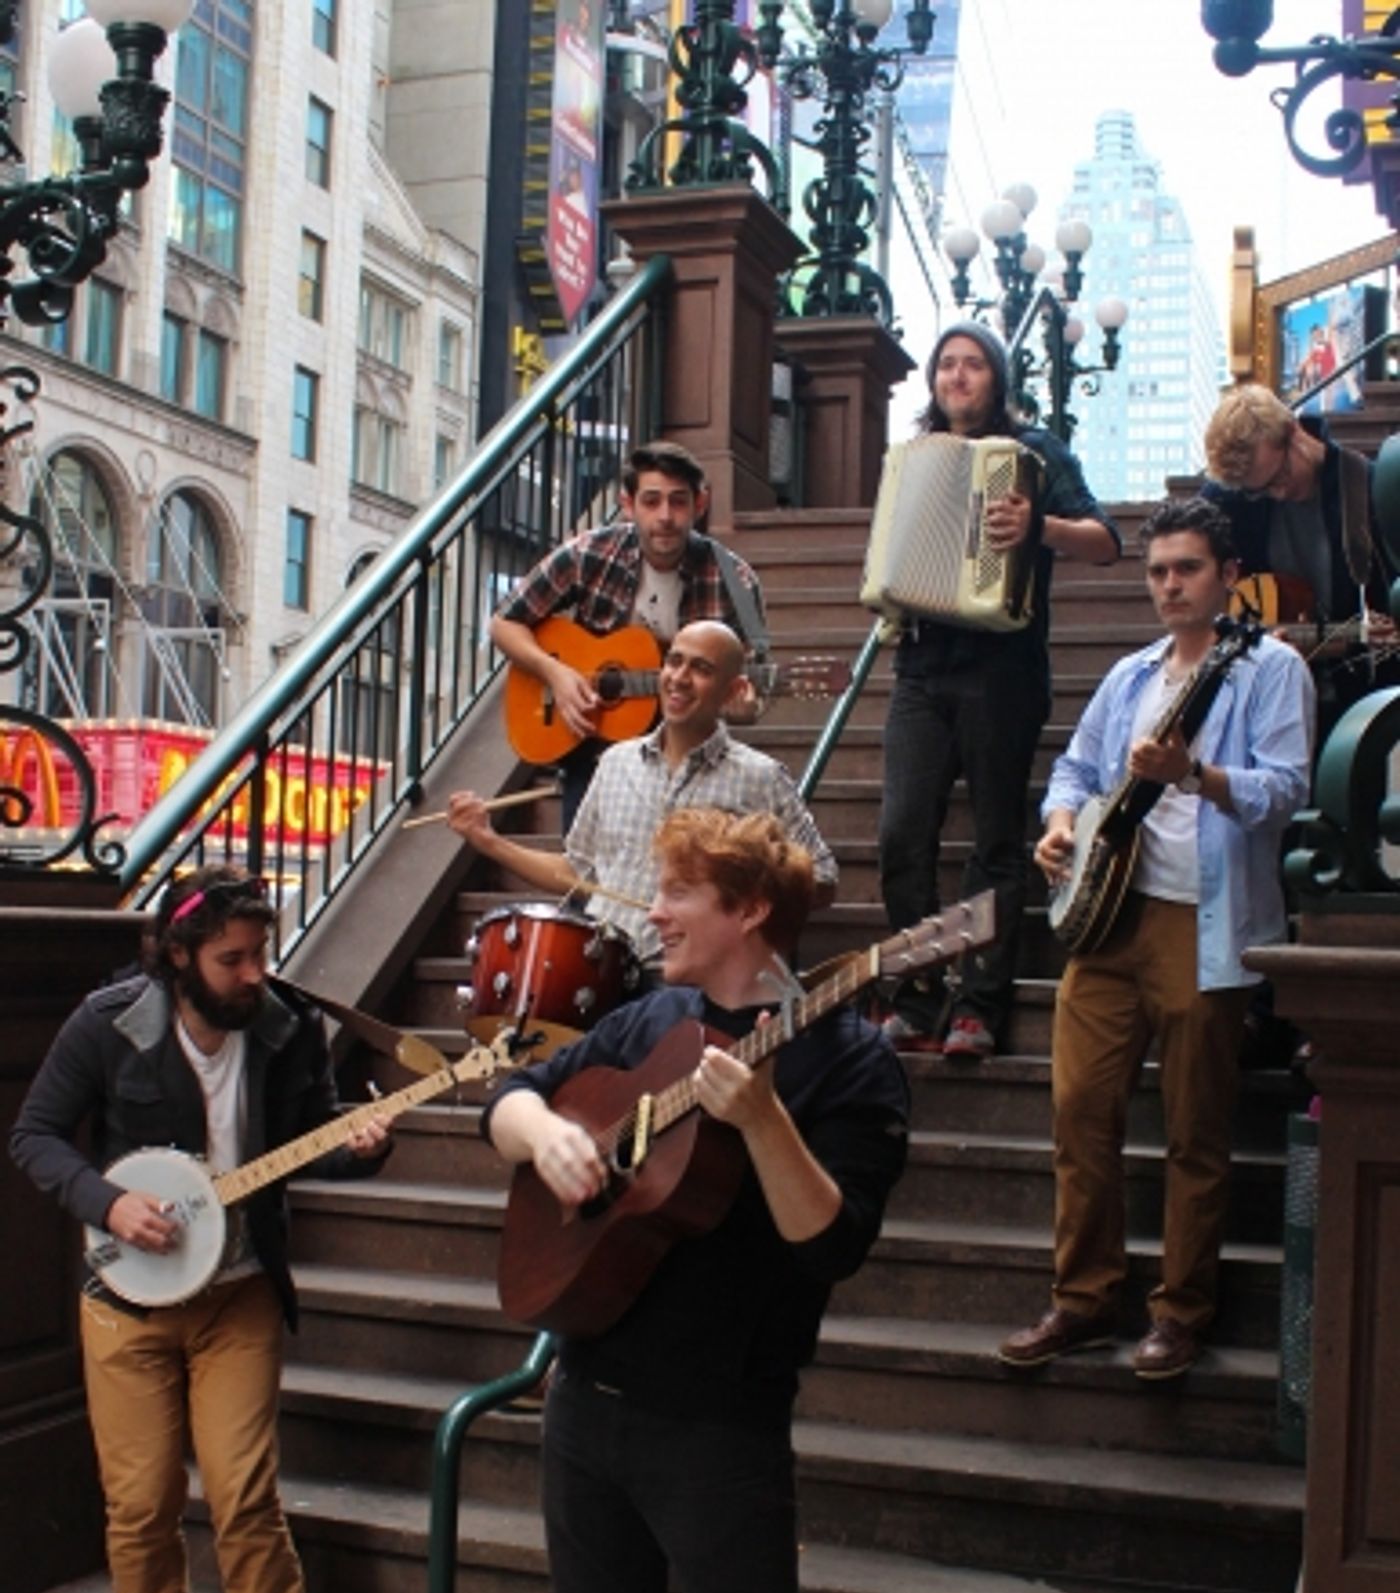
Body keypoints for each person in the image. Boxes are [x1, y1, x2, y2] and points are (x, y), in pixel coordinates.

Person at [483, 808, 917, 1593]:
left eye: (676, 894)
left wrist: (764, 1120)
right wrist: (546, 1135)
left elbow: (828, 1244)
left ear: (747, 914)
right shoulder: (635, 1025)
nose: (652, 913)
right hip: (588, 1398)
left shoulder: (848, 1061)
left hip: (717, 1423)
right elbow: (507, 1096)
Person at [9, 865, 393, 1593]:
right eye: (233, 959)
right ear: (178, 958)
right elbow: (35, 1136)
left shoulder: (285, 1028)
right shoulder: (108, 1026)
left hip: (239, 1294)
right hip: (128, 1303)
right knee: (139, 1508)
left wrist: (363, 1149)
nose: (255, 972)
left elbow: (311, 1144)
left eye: (262, 952)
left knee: (243, 1496)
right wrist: (107, 1204)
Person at [996, 498, 1314, 1383]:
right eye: (1158, 571)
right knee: (1078, 1112)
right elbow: (1075, 768)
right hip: (1110, 914)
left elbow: (1288, 790)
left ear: (1227, 575)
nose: (1170, 585)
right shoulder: (1132, 675)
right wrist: (1059, 824)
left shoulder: (1270, 668)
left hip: (1204, 922)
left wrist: (1197, 776)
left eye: (1188, 569)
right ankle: (1083, 1298)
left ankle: (1180, 1312)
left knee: (1194, 1130)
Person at [879, 321, 1120, 1059]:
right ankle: (915, 995)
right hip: (921, 665)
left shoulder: (1037, 453)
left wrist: (1038, 524)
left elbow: (1106, 542)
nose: (957, 377)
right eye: (946, 365)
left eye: (973, 365)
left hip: (1001, 668)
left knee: (993, 840)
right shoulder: (914, 457)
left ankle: (979, 1004)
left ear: (998, 378)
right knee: (901, 834)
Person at [449, 618, 837, 977]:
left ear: (733, 690)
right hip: (603, 973)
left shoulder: (760, 777)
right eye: (674, 662)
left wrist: (738, 891)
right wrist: (488, 841)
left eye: (701, 669)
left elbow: (821, 879)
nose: (679, 678)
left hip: (696, 983)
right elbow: (577, 872)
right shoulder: (615, 762)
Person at [489, 438, 767, 829]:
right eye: (651, 501)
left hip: (687, 757)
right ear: (627, 504)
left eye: (679, 501)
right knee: (585, 876)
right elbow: (505, 622)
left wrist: (746, 706)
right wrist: (556, 675)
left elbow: (754, 688)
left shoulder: (735, 581)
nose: (666, 516)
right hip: (595, 746)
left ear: (699, 505)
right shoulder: (591, 553)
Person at [1203, 381, 1399, 745]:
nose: (1275, 493)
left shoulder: (1367, 488)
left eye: (1279, 476)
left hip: (1358, 708)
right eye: (1259, 489)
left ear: (1294, 431)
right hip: (1268, 713)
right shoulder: (1239, 502)